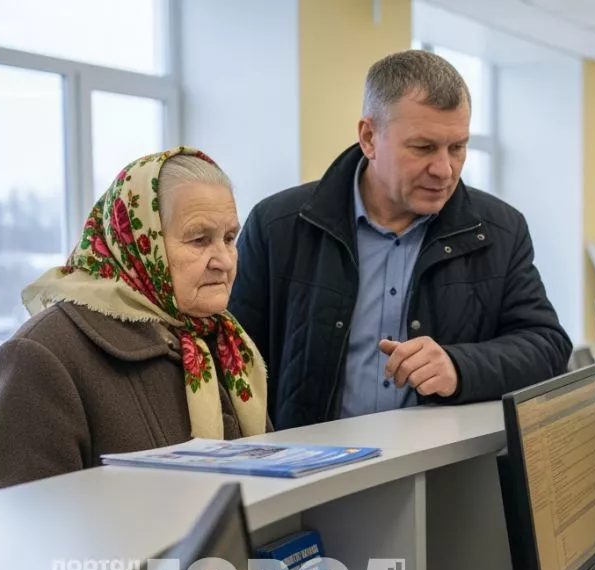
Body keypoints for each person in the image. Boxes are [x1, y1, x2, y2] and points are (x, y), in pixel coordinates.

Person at [229, 50, 571, 430]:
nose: (444, 170)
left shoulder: (500, 231)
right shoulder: (278, 226)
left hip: (441, 475)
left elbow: (547, 346)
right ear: (369, 137)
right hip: (308, 476)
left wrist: (460, 366)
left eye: (457, 147)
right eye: (423, 147)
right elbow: (231, 359)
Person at [0, 148, 269, 490]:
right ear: (138, 242)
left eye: (229, 238)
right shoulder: (41, 355)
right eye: (199, 240)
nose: (224, 261)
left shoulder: (225, 341)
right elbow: (24, 526)